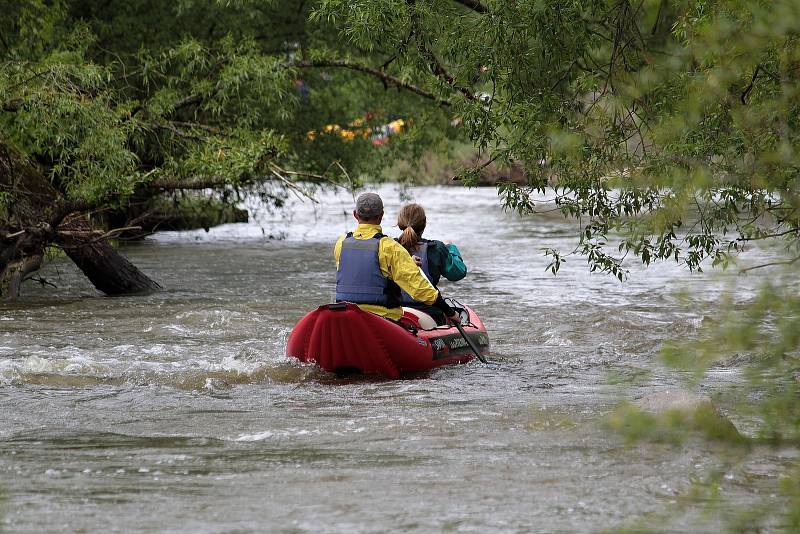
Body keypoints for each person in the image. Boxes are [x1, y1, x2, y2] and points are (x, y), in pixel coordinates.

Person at [333, 192, 460, 325]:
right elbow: (420, 290)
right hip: (383, 321)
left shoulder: (341, 243)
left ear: (355, 214)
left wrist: (404, 265)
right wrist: (450, 312)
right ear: (381, 216)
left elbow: (361, 272)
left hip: (347, 317)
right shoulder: (390, 247)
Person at [396, 203, 467, 323]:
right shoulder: (436, 248)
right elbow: (458, 273)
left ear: (399, 224)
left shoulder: (388, 246)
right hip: (430, 312)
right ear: (424, 223)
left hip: (396, 311)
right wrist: (451, 248)